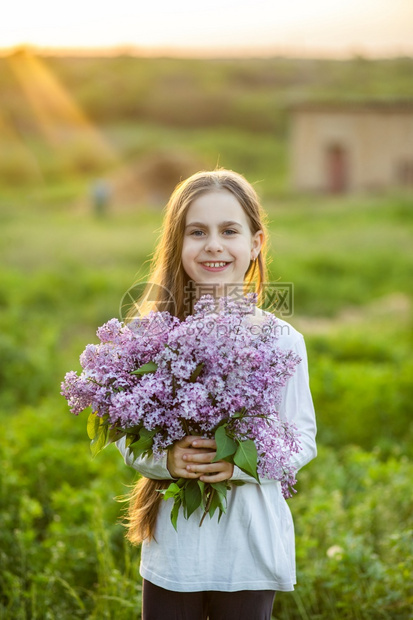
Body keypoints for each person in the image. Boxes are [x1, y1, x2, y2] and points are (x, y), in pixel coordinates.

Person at [116, 169, 317, 620]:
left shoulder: (283, 341)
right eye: (197, 232)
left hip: (249, 552)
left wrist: (239, 464)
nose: (214, 245)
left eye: (229, 230)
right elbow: (125, 435)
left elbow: (302, 441)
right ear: (178, 243)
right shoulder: (151, 335)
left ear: (256, 243)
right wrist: (166, 461)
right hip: (175, 552)